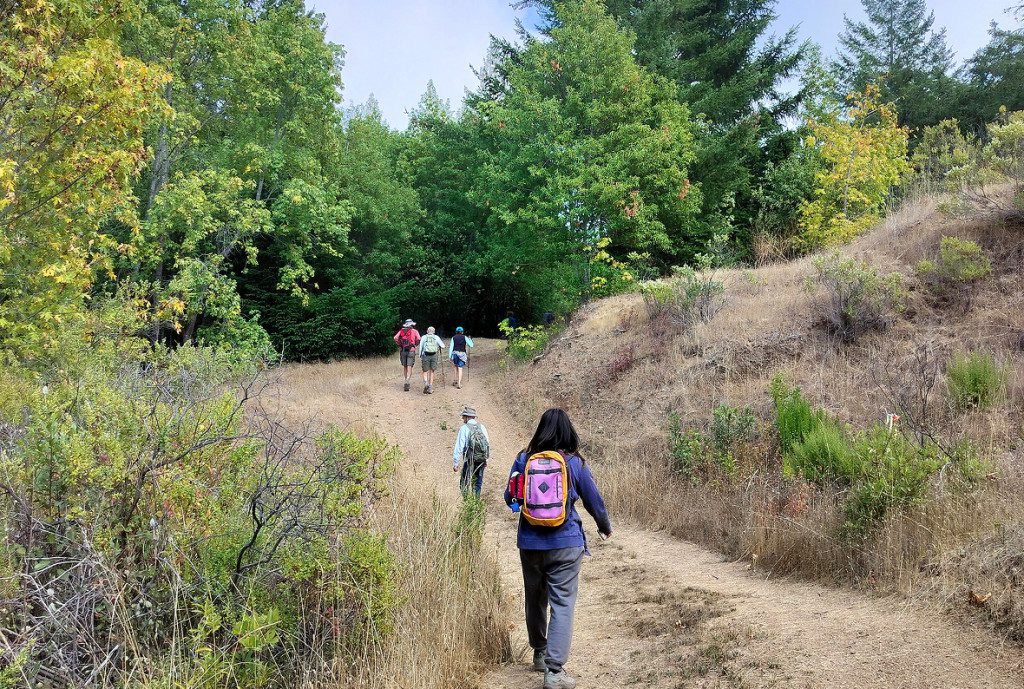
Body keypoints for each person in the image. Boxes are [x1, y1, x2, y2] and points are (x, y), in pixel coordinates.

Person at [503, 408, 611, 689]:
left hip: (529, 542)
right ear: (568, 431)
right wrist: (604, 525)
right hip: (566, 543)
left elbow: (508, 496)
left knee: (535, 598)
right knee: (562, 603)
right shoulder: (574, 462)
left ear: (540, 430)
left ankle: (539, 652)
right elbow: (593, 500)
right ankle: (554, 671)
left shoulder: (524, 458)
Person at [452, 406, 489, 497]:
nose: (462, 418)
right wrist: (486, 460)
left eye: (464, 416)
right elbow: (487, 444)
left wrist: (455, 463)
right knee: (477, 484)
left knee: (464, 483)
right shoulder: (482, 427)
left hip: (470, 460)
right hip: (481, 460)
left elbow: (459, 446)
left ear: (468, 417)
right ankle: (476, 504)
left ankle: (466, 503)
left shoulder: (464, 428)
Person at [393, 319, 421, 392]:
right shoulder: (415, 331)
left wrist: (400, 345)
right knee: (409, 366)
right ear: (412, 325)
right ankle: (408, 380)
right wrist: (415, 345)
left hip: (403, 350)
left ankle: (405, 380)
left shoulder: (401, 331)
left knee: (405, 366)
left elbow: (395, 338)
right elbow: (418, 339)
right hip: (411, 350)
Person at [418, 326, 445, 394]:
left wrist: (420, 355)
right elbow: (443, 346)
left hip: (425, 355)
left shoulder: (424, 337)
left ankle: (426, 384)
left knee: (425, 371)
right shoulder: (436, 337)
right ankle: (430, 387)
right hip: (434, 355)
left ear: (427, 331)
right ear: (434, 332)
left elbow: (420, 346)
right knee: (432, 371)